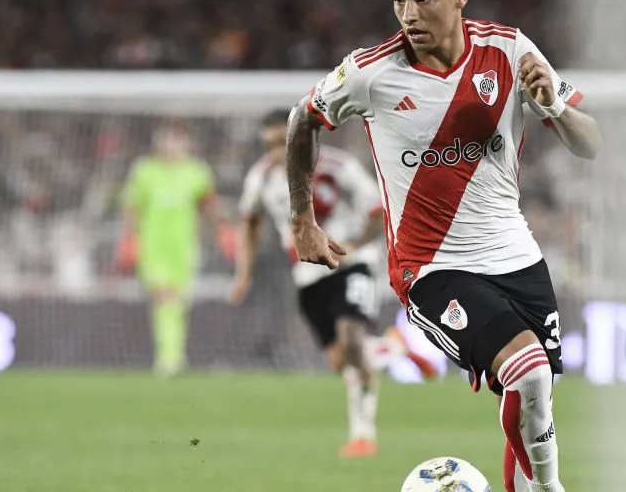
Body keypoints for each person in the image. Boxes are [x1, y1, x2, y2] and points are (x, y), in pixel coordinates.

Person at [282, 0, 599, 492]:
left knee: (535, 403)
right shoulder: (370, 72)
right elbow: (300, 120)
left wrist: (551, 104)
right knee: (526, 372)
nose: (408, 12)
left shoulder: (509, 50)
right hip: (432, 268)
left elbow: (589, 141)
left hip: (518, 259)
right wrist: (302, 218)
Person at [230, 109, 438, 458]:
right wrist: (244, 274)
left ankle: (362, 435)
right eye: (268, 145)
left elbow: (379, 210)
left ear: (300, 139)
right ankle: (391, 347)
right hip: (308, 274)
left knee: (351, 341)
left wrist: (355, 245)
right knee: (341, 360)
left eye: (282, 143)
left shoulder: (339, 167)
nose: (276, 153)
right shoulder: (261, 178)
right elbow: (250, 225)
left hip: (352, 265)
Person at [118, 121, 236, 376]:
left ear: (186, 144)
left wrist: (224, 230)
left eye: (176, 140)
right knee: (164, 298)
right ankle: (168, 359)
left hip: (184, 248)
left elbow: (209, 204)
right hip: (153, 247)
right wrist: (129, 239)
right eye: (166, 140)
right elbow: (132, 207)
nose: (171, 146)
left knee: (178, 303)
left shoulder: (196, 172)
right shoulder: (145, 171)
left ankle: (174, 358)